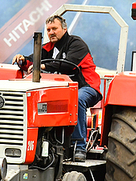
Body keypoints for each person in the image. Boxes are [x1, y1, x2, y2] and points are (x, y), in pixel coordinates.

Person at [12, 15, 101, 162]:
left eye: (55, 28)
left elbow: (69, 65)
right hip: (62, 89)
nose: (51, 32)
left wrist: (42, 66)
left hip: (86, 86)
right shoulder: (48, 48)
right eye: (48, 30)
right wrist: (22, 60)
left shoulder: (76, 44)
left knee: (77, 99)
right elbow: (32, 59)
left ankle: (79, 146)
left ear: (64, 29)